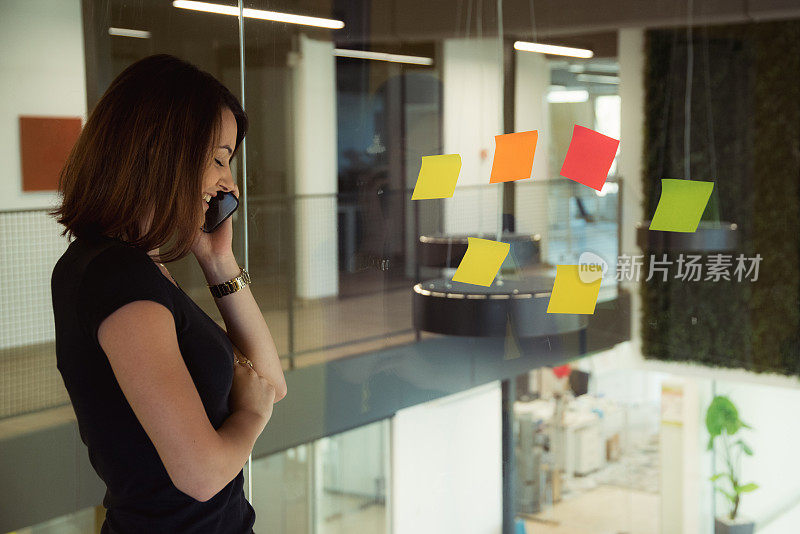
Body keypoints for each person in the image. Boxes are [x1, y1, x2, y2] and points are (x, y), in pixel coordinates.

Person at [49, 54, 286, 533]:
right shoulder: (117, 276)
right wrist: (252, 417)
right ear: (166, 150)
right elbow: (200, 475)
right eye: (219, 158)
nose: (229, 182)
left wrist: (218, 261)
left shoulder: (139, 267)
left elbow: (270, 382)